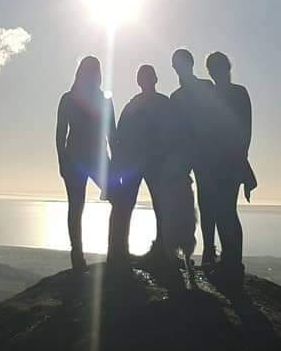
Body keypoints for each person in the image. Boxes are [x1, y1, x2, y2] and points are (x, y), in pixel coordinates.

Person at [107, 64, 171, 265]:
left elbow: (120, 137)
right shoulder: (140, 104)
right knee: (126, 206)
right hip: (138, 163)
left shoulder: (155, 103)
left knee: (158, 207)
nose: (144, 81)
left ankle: (159, 249)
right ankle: (118, 251)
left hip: (150, 162)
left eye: (146, 77)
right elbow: (120, 137)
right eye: (142, 77)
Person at [56, 56, 116, 270]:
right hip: (88, 158)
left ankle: (86, 255)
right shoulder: (73, 99)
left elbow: (112, 135)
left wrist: (62, 160)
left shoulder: (72, 99)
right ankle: (81, 255)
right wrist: (62, 160)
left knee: (77, 207)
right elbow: (60, 133)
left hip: (84, 158)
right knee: (79, 206)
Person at [203, 51, 253, 283]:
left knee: (226, 212)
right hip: (217, 162)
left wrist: (241, 161)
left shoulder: (237, 93)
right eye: (212, 68)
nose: (215, 72)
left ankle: (232, 262)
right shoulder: (220, 93)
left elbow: (244, 132)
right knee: (223, 212)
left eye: (217, 67)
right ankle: (230, 261)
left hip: (229, 161)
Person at [168, 48, 220, 266]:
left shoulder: (203, 89)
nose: (178, 69)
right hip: (191, 152)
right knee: (189, 201)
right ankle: (190, 249)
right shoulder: (180, 95)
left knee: (205, 201)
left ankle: (207, 250)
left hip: (202, 151)